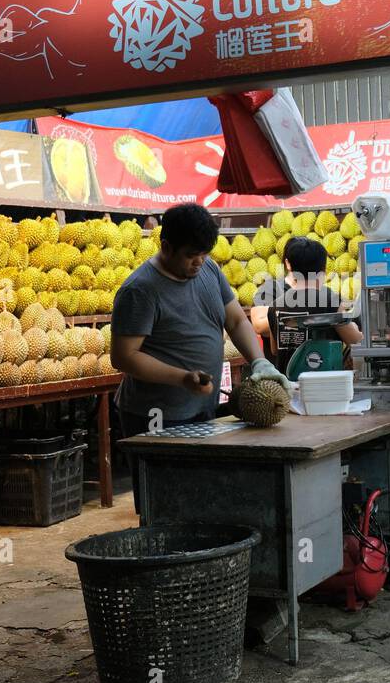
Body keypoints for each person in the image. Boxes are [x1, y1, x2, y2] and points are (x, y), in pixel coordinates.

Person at [111, 204, 290, 511]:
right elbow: (124, 357)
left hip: (202, 409)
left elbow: (235, 320)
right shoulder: (140, 291)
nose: (199, 262)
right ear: (166, 247)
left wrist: (259, 360)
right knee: (164, 505)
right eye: (191, 254)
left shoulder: (208, 270)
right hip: (155, 414)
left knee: (200, 499)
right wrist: (181, 377)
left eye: (205, 253)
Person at [252, 236, 363, 373]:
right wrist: (354, 327)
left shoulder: (275, 306)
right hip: (326, 383)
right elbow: (354, 340)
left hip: (289, 385)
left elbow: (275, 350)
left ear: (290, 266)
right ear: (323, 271)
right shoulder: (330, 300)